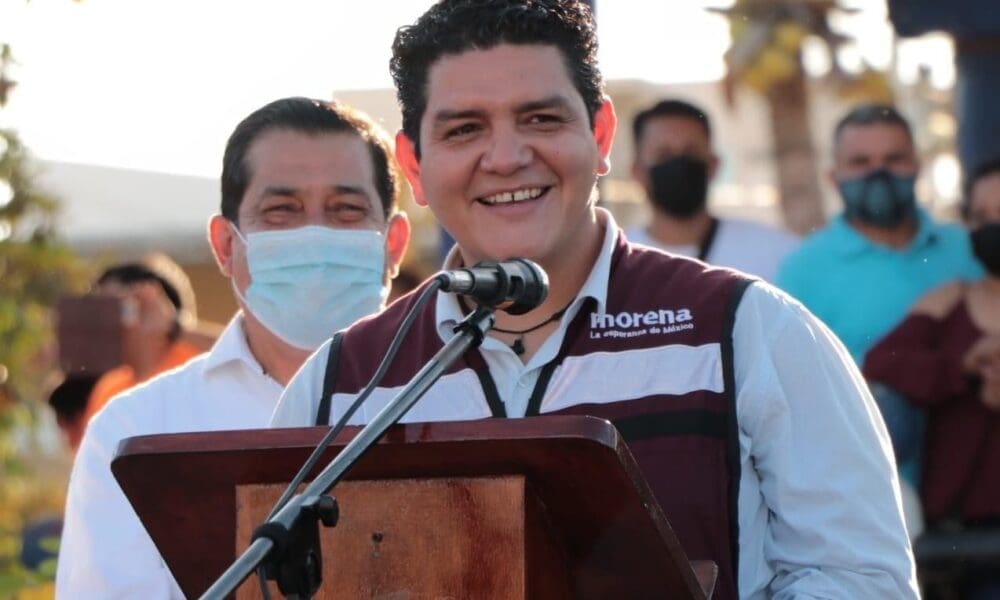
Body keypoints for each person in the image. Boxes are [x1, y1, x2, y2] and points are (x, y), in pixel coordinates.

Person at [270, 2, 917, 598]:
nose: (507, 157)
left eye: (541, 119)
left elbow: (864, 581)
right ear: (413, 164)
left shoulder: (747, 331)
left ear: (601, 135)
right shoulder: (340, 382)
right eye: (465, 129)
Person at [55, 97, 410, 598]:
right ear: (225, 245)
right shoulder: (136, 433)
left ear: (393, 244)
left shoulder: (465, 403)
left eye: (346, 210)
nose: (313, 234)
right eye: (281, 210)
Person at [776, 104, 982, 488]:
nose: (879, 172)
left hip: (976, 482)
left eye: (893, 159)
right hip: (867, 491)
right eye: (860, 162)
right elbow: (792, 393)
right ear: (833, 176)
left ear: (917, 166)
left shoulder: (970, 251)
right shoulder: (803, 270)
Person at [864, 157, 1000, 598]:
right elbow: (881, 363)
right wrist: (963, 366)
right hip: (966, 539)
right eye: (982, 217)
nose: (993, 227)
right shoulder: (950, 301)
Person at [627, 99, 799, 282]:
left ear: (714, 165)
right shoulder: (616, 261)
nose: (679, 164)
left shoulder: (776, 254)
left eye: (691, 153)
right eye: (664, 155)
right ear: (637, 171)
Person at [82, 254, 213, 425]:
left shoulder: (198, 366)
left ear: (144, 305)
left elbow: (245, 354)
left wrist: (173, 326)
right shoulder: (108, 389)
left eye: (108, 308)